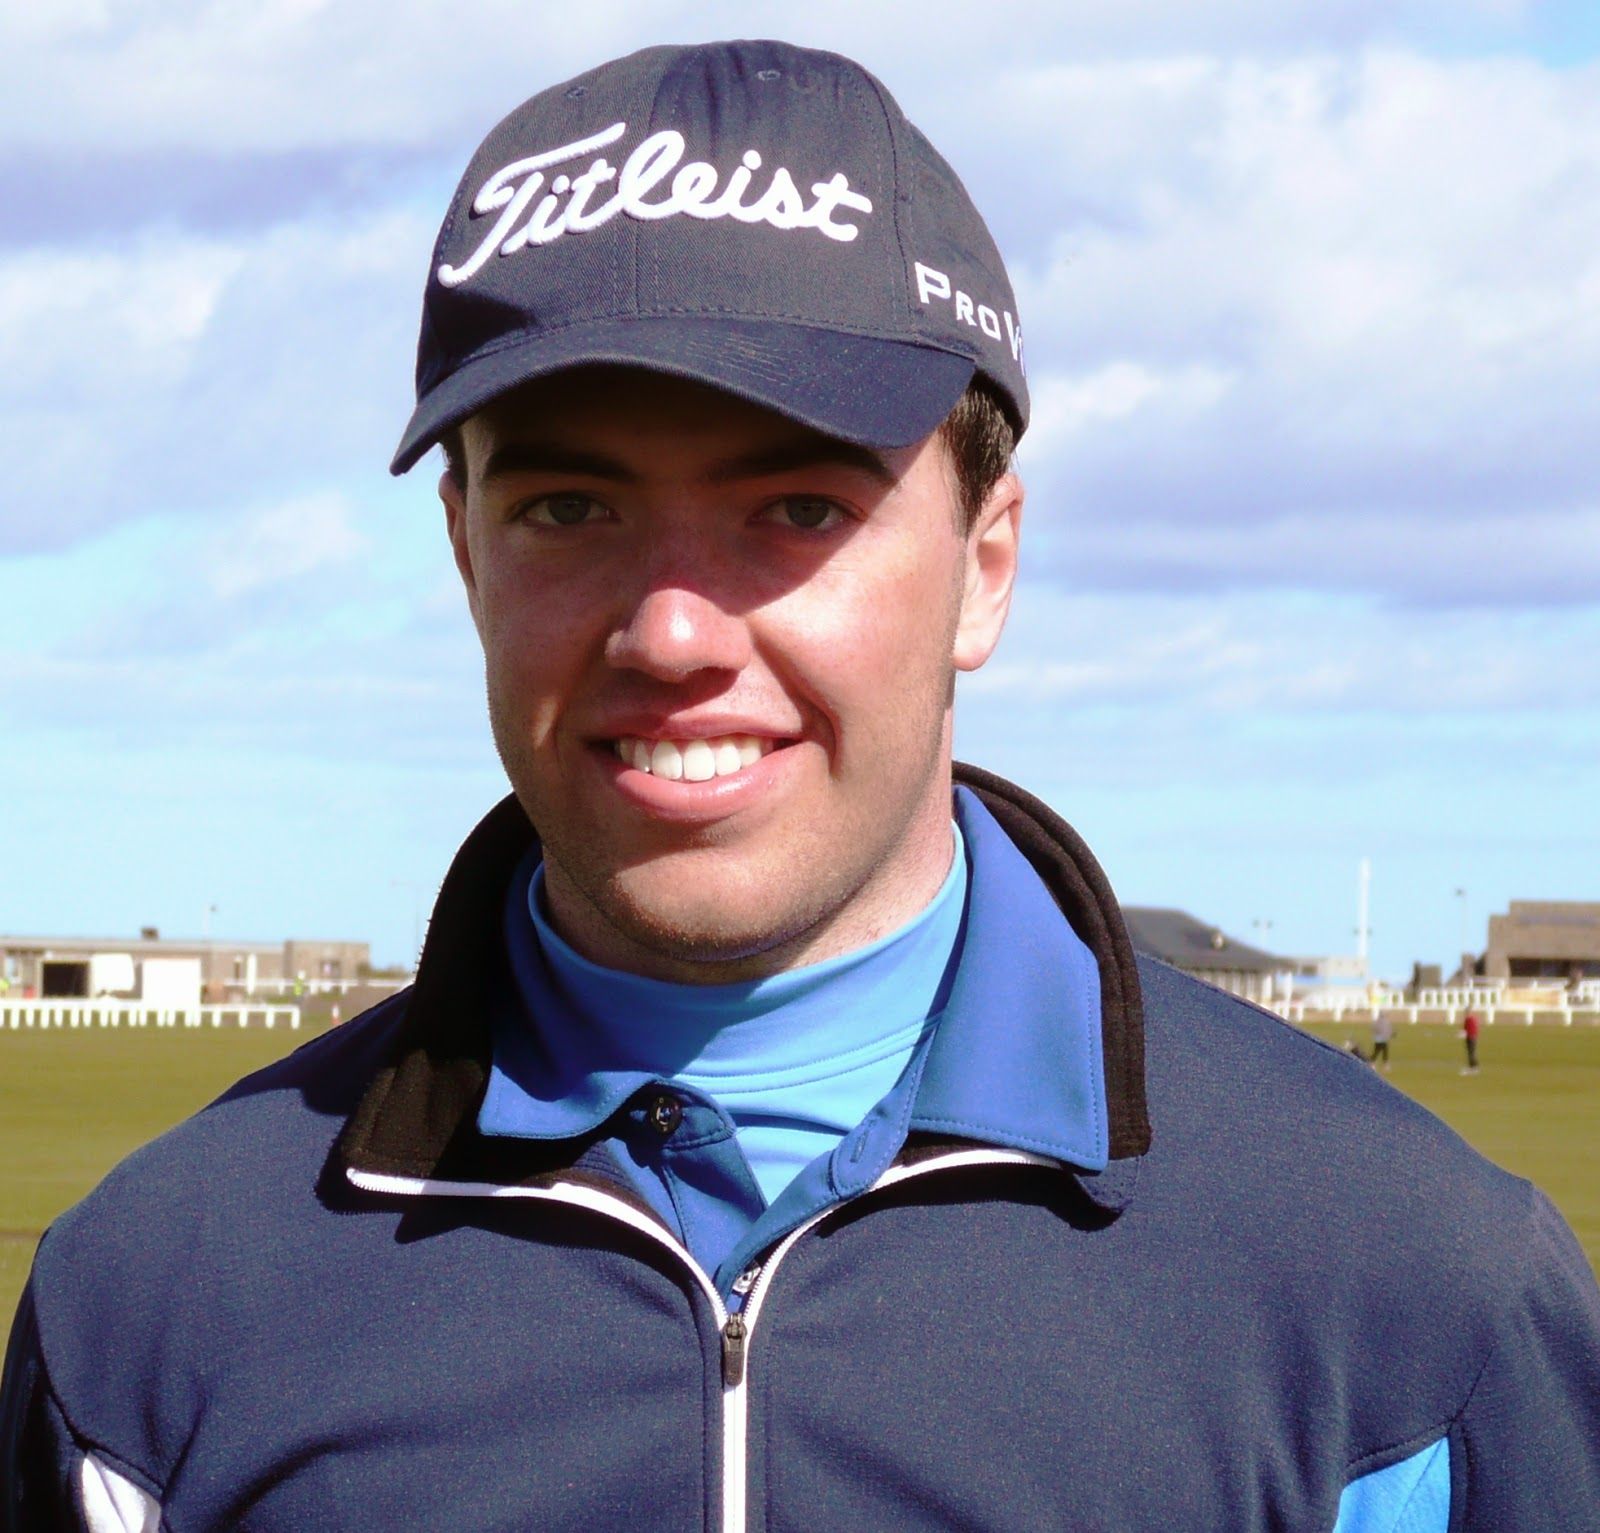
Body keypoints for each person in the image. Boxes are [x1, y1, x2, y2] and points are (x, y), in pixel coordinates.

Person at [4, 39, 1599, 1531]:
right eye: (568, 509)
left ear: (985, 566)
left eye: (798, 510)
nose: (673, 632)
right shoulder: (149, 1317)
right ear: (468, 559)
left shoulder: (1412, 1301)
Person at [1463, 1007, 1482, 1073]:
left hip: (1471, 1037)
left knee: (1472, 1053)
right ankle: (1472, 1066)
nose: (1466, 1013)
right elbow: (1465, 1029)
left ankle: (1474, 1067)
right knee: (1470, 1052)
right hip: (1469, 1037)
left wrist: (1469, 1034)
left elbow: (1473, 1029)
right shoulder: (1468, 1019)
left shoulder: (1471, 1019)